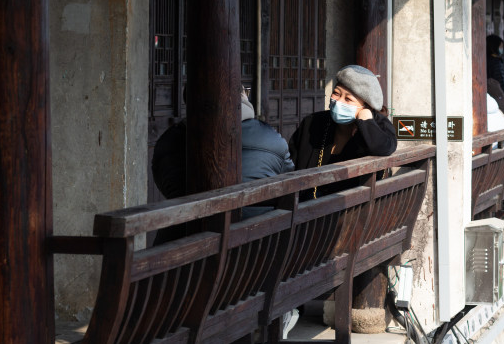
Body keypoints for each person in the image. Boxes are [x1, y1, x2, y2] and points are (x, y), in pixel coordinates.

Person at [151, 87, 295, 242]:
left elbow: (165, 183)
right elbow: (288, 181)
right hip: (256, 247)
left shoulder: (170, 140)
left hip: (181, 251)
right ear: (241, 96)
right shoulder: (271, 138)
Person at [288, 65, 397, 197]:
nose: (338, 101)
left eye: (348, 99)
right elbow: (290, 163)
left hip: (353, 207)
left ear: (366, 106)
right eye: (336, 93)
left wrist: (365, 120)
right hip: (309, 205)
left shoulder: (379, 125)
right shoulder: (313, 123)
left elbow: (383, 147)